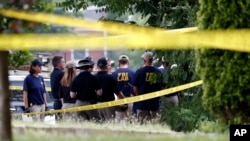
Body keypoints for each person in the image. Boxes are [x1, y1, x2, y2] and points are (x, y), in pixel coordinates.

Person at [133, 51, 164, 123]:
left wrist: (139, 97)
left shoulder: (139, 72)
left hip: (142, 105)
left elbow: (135, 89)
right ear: (152, 60)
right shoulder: (158, 72)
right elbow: (162, 88)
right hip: (155, 104)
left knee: (143, 126)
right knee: (155, 125)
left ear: (144, 61)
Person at [95, 57, 125, 121]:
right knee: (109, 124)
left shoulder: (93, 77)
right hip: (109, 105)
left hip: (97, 105)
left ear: (97, 66)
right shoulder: (110, 77)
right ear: (106, 66)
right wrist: (124, 101)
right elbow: (118, 92)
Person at [112, 55, 135, 121]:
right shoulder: (133, 73)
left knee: (119, 121)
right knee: (131, 120)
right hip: (131, 100)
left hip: (119, 100)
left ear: (119, 63)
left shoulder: (114, 74)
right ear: (128, 62)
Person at [50, 56, 65, 121]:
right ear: (58, 64)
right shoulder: (61, 74)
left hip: (56, 102)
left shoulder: (52, 73)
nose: (64, 63)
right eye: (63, 62)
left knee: (58, 121)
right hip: (62, 101)